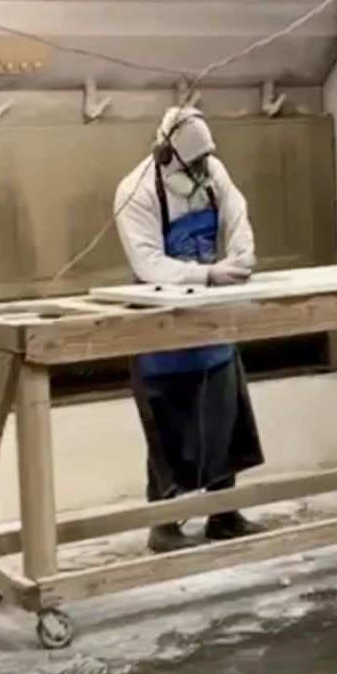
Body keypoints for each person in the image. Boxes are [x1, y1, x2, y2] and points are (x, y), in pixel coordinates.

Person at [114, 106, 265, 554]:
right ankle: (163, 525)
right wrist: (208, 274)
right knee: (169, 429)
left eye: (204, 162)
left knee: (224, 418)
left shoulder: (212, 171)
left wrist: (241, 256)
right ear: (167, 154)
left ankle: (224, 515)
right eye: (192, 164)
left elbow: (237, 214)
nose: (201, 171)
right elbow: (148, 264)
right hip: (161, 327)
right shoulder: (136, 192)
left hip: (211, 320)